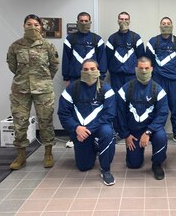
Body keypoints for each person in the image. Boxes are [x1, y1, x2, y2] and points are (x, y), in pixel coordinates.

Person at [7, 14, 59, 170]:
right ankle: (21, 155)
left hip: (43, 89)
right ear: (24, 26)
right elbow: (12, 66)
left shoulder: (48, 46)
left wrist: (43, 79)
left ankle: (48, 153)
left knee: (45, 121)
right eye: (29, 24)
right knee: (20, 122)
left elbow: (54, 65)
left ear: (40, 27)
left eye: (36, 24)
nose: (33, 27)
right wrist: (24, 77)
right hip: (20, 89)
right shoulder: (15, 46)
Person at [58, 59, 116, 186]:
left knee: (107, 132)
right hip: (79, 131)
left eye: (92, 69)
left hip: (98, 128)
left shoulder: (106, 89)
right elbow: (63, 113)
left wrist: (87, 129)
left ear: (98, 71)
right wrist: (76, 128)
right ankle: (94, 147)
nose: (89, 72)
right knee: (84, 166)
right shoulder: (72, 88)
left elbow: (109, 115)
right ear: (81, 72)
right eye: (86, 70)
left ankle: (105, 169)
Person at [116, 57, 168, 180]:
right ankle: (136, 154)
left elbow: (162, 114)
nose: (144, 71)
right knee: (133, 165)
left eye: (146, 68)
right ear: (136, 69)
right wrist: (126, 135)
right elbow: (119, 114)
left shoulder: (158, 90)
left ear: (151, 69)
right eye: (141, 68)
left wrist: (149, 132)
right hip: (133, 131)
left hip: (152, 129)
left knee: (161, 137)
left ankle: (157, 163)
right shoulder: (125, 89)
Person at [146, 16, 176, 112]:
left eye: (168, 24)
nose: (166, 26)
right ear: (160, 26)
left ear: (172, 26)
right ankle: (156, 127)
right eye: (163, 24)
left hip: (174, 81)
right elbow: (149, 60)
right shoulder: (153, 42)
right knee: (157, 107)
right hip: (158, 80)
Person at [62, 12, 107, 84]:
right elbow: (66, 59)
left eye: (86, 21)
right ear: (77, 22)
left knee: (91, 95)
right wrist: (66, 77)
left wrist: (101, 76)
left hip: (92, 77)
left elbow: (102, 59)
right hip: (75, 77)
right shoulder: (70, 39)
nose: (84, 23)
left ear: (90, 22)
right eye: (81, 21)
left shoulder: (97, 39)